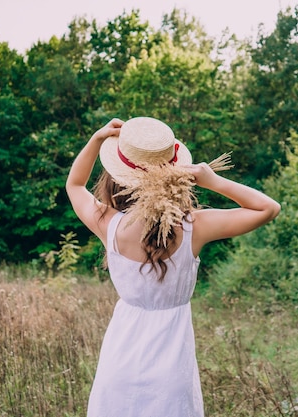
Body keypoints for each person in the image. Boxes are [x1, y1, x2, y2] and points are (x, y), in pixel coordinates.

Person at [66, 117, 280, 417]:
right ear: (174, 174)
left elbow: (74, 184)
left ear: (116, 178)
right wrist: (212, 180)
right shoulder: (195, 227)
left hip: (119, 364)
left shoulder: (108, 225)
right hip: (171, 373)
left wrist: (97, 138)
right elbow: (268, 208)